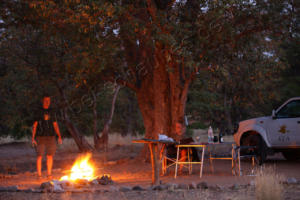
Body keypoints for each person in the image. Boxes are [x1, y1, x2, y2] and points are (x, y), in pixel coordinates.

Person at [32, 95, 62, 179]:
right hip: (40, 137)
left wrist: (59, 136)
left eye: (49, 100)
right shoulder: (38, 112)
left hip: (51, 137)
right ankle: (39, 175)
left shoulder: (52, 111)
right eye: (45, 100)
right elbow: (35, 125)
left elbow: (55, 125)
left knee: (50, 156)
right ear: (43, 101)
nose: (47, 102)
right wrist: (33, 138)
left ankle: (49, 174)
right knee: (39, 156)